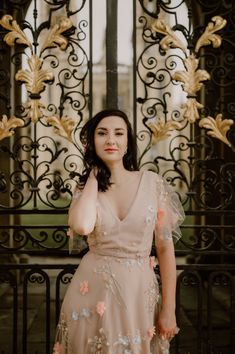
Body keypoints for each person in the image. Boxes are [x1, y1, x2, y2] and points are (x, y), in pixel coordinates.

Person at [53, 109, 185, 354]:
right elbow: (82, 226)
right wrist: (93, 175)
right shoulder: (85, 188)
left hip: (138, 295)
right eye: (102, 133)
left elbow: (165, 249)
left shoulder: (152, 184)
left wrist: (169, 309)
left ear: (127, 142)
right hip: (92, 295)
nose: (111, 140)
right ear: (92, 142)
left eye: (118, 133)